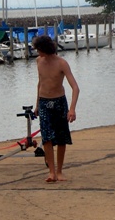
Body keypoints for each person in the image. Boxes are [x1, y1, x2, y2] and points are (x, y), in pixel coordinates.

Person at [32, 35, 80, 183]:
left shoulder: (62, 63)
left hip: (59, 102)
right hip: (44, 103)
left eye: (39, 49)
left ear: (45, 49)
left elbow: (75, 87)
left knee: (61, 138)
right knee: (46, 137)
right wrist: (37, 104)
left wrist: (72, 109)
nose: (37, 52)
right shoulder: (39, 61)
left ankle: (59, 171)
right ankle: (51, 172)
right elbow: (40, 83)